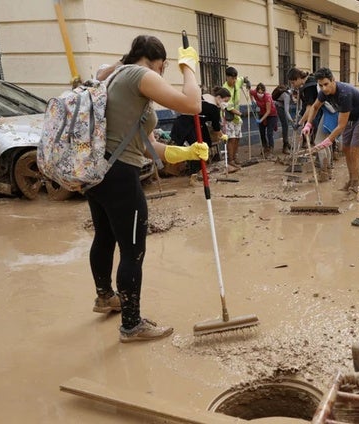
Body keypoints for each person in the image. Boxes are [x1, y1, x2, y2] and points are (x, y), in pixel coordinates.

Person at [87, 35, 206, 343]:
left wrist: (184, 152)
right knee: (133, 249)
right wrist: (189, 68)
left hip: (97, 171)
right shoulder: (141, 75)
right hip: (120, 175)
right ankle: (131, 325)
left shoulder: (114, 75)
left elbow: (147, 145)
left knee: (105, 235)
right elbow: (193, 104)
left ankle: (105, 297)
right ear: (160, 63)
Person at [303, 67, 359, 201]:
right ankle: (351, 180)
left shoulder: (344, 94)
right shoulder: (324, 93)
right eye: (320, 85)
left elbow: (341, 125)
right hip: (350, 116)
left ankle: (355, 186)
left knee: (354, 150)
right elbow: (314, 107)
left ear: (333, 81)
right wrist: (308, 123)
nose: (323, 88)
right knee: (346, 148)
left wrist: (328, 140)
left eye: (326, 84)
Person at [170, 87, 232, 175]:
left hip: (196, 123)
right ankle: (196, 172)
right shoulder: (213, 108)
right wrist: (222, 136)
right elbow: (216, 128)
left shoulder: (207, 97)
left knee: (206, 142)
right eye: (225, 101)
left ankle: (199, 169)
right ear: (218, 97)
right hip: (187, 124)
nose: (226, 103)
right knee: (198, 147)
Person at [222, 66, 248, 169]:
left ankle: (235, 157)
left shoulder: (237, 81)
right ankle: (230, 159)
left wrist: (247, 81)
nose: (234, 80)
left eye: (235, 78)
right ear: (227, 77)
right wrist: (241, 114)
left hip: (237, 118)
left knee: (237, 138)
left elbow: (243, 79)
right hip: (228, 117)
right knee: (231, 139)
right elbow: (229, 108)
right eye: (232, 78)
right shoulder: (224, 89)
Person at [250, 82, 278, 155]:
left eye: (261, 92)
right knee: (261, 132)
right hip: (262, 113)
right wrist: (252, 101)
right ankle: (265, 147)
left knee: (269, 132)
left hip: (272, 115)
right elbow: (250, 92)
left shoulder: (267, 97)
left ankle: (271, 148)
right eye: (258, 92)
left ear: (264, 92)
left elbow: (268, 111)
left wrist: (261, 120)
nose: (260, 94)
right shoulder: (255, 93)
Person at [272, 84, 294, 154]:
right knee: (285, 126)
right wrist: (292, 121)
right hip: (279, 107)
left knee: (286, 125)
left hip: (279, 106)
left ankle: (287, 143)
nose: (295, 99)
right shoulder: (287, 96)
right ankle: (285, 146)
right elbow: (286, 111)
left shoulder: (288, 92)